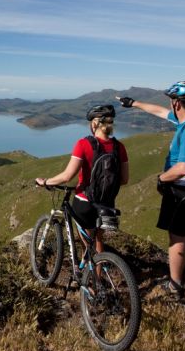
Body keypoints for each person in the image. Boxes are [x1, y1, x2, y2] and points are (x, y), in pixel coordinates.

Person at [117, 81, 185, 299]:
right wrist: (133, 103)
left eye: (171, 101)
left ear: (177, 103)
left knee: (177, 237)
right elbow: (159, 111)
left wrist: (162, 178)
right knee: (184, 225)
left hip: (183, 190)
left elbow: (183, 168)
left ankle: (175, 285)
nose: (169, 105)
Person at [35, 104, 129, 254]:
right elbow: (124, 179)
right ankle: (97, 274)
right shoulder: (119, 147)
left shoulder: (84, 144)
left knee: (87, 244)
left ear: (94, 124)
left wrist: (45, 182)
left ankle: (86, 271)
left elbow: (67, 176)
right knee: (99, 240)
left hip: (84, 202)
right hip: (106, 203)